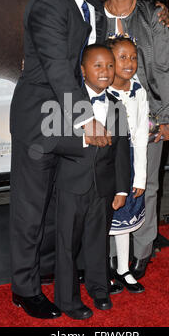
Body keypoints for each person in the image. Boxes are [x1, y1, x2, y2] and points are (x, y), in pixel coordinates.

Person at [9, 0, 113, 320]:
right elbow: (57, 68)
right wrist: (88, 117)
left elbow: (89, 66)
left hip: (70, 117)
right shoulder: (50, 2)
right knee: (30, 210)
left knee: (68, 204)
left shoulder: (96, 9)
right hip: (40, 119)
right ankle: (24, 289)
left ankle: (69, 278)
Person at [101, 0, 169, 280]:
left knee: (146, 183)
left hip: (146, 112)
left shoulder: (152, 16)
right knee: (107, 185)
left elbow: (163, 69)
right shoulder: (91, 16)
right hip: (104, 117)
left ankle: (143, 250)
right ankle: (105, 251)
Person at [54, 43, 130, 319]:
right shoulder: (67, 102)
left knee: (98, 241)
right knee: (67, 244)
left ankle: (100, 289)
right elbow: (54, 142)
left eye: (110, 65)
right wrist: (85, 138)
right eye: (97, 65)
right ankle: (67, 298)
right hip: (71, 184)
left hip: (104, 185)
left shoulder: (117, 106)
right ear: (83, 69)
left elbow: (122, 151)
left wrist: (121, 187)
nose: (105, 71)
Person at [105, 34, 149, 293]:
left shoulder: (138, 90)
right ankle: (101, 270)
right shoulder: (102, 91)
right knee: (103, 217)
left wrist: (140, 176)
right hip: (107, 162)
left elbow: (142, 133)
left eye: (133, 57)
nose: (129, 62)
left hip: (131, 159)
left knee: (125, 218)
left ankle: (123, 268)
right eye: (122, 57)